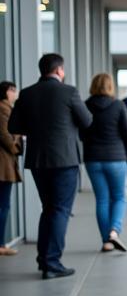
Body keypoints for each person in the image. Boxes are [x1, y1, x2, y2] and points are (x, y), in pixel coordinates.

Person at [7, 53, 92, 279]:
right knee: (61, 210)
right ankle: (52, 263)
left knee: (49, 209)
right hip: (64, 160)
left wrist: (37, 129)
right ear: (59, 70)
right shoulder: (69, 92)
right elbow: (87, 121)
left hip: (38, 159)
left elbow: (13, 125)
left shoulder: (27, 93)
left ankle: (44, 259)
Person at [81, 73, 127, 252]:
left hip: (93, 158)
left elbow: (82, 134)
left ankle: (106, 241)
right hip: (116, 157)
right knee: (118, 197)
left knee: (102, 199)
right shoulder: (118, 105)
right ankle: (114, 231)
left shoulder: (85, 105)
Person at [0, 80, 23, 256]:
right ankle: (0, 244)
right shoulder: (2, 109)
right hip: (3, 166)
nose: (15, 93)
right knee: (3, 205)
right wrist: (16, 147)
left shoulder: (8, 109)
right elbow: (6, 136)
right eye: (12, 90)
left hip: (6, 163)